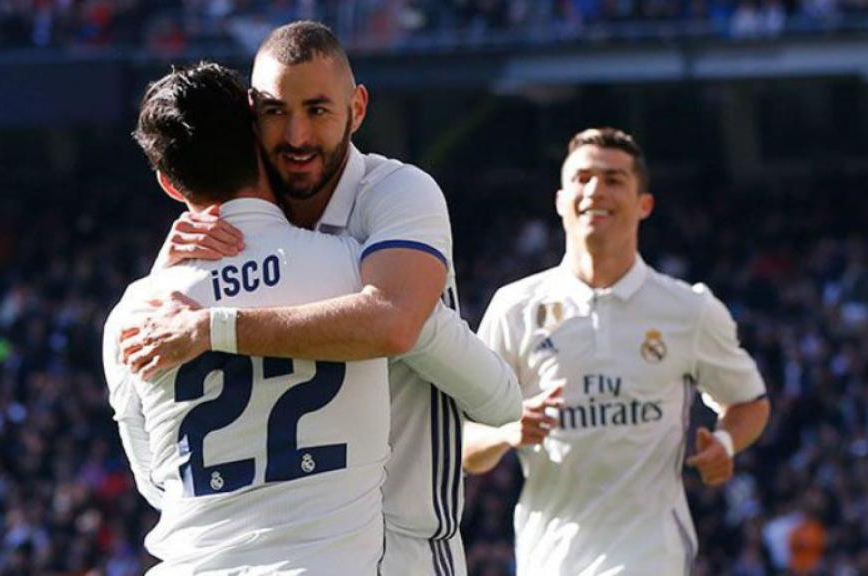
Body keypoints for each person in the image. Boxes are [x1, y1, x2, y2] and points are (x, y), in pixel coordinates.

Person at [118, 21, 522, 575]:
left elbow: (395, 323)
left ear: (357, 108)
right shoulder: (344, 264)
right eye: (275, 112)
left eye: (317, 110)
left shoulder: (397, 197)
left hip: (407, 549)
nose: (297, 137)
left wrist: (209, 320)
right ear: (248, 120)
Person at [102, 62, 393, 574]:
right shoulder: (353, 267)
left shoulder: (134, 313)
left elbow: (155, 482)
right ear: (261, 135)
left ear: (170, 185)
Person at [463, 127, 771, 575]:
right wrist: (508, 432)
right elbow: (463, 443)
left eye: (613, 179)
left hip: (652, 555)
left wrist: (725, 442)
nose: (594, 191)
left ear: (644, 204)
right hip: (550, 557)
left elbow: (748, 401)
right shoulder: (515, 308)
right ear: (560, 199)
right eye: (582, 178)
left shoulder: (689, 309)